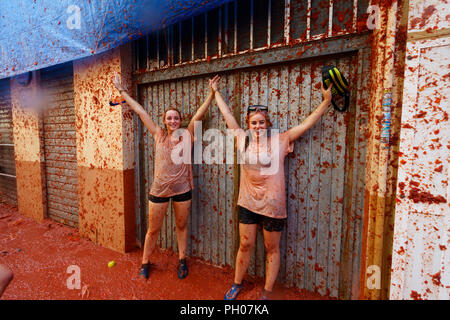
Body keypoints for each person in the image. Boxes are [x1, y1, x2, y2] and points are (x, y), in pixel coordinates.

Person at [209, 76, 332, 300]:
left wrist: (325, 101)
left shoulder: (281, 140)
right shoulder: (242, 139)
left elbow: (306, 124)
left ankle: (267, 292)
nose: (257, 126)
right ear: (248, 124)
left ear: (268, 125)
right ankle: (237, 283)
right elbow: (228, 116)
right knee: (245, 244)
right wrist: (215, 92)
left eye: (261, 122)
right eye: (253, 123)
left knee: (271, 248)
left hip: (273, 203)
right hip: (247, 202)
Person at [113, 73, 219, 280]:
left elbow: (198, 114)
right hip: (159, 190)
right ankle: (145, 262)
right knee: (153, 230)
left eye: (176, 118)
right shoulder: (158, 135)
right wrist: (121, 91)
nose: (173, 120)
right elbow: (140, 111)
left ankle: (182, 260)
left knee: (181, 225)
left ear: (180, 121)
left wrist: (212, 94)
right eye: (169, 118)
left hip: (182, 190)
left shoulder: (187, 134)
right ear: (164, 121)